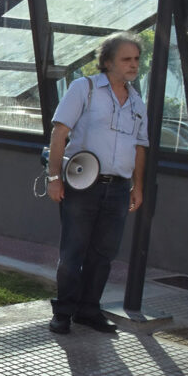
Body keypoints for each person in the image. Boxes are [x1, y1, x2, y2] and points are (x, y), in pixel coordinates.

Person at [46, 32, 147, 335]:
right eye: (126, 59)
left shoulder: (137, 101)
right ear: (107, 62)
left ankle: (89, 310)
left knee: (104, 253)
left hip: (118, 188)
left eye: (137, 59)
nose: (133, 65)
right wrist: (53, 177)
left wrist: (137, 186)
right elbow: (59, 133)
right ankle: (63, 312)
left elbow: (140, 147)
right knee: (73, 253)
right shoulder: (84, 88)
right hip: (82, 183)